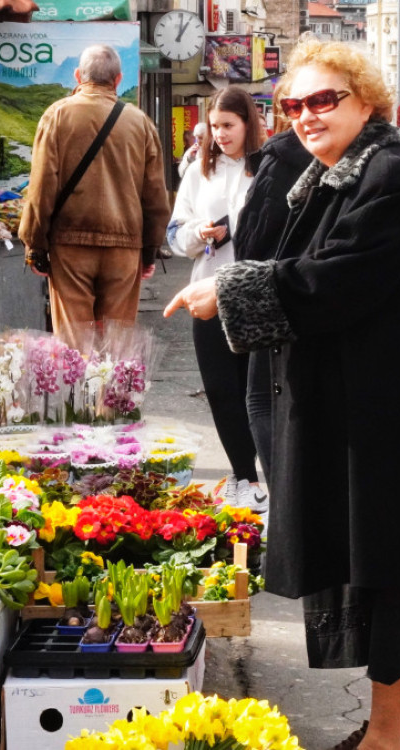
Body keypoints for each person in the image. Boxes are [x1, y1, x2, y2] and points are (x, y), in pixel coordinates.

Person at [164, 39, 400, 750]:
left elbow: (337, 276)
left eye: (325, 99)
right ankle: (398, 731)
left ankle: (385, 738)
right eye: (294, 104)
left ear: (367, 102)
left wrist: (228, 289)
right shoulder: (333, 173)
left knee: (393, 576)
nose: (306, 115)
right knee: (372, 573)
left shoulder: (392, 175)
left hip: (397, 420)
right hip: (364, 411)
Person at [19, 44, 170, 348]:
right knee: (117, 344)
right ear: (118, 79)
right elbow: (155, 196)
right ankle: (112, 381)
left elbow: (41, 187)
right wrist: (149, 251)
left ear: (78, 76)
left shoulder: (56, 116)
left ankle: (79, 382)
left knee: (74, 345)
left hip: (70, 245)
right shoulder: (141, 123)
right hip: (124, 248)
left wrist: (34, 244)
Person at [168, 87, 266, 512]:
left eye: (229, 125)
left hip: (256, 293)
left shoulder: (266, 169)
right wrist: (199, 232)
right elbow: (175, 234)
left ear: (248, 124)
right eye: (215, 126)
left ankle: (261, 475)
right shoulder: (198, 171)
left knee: (256, 392)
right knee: (221, 390)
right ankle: (243, 477)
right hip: (207, 291)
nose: (221, 134)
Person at [233, 111, 312, 493]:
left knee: (262, 400)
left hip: (272, 292)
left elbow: (249, 238)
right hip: (311, 295)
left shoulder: (279, 157)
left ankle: (284, 498)